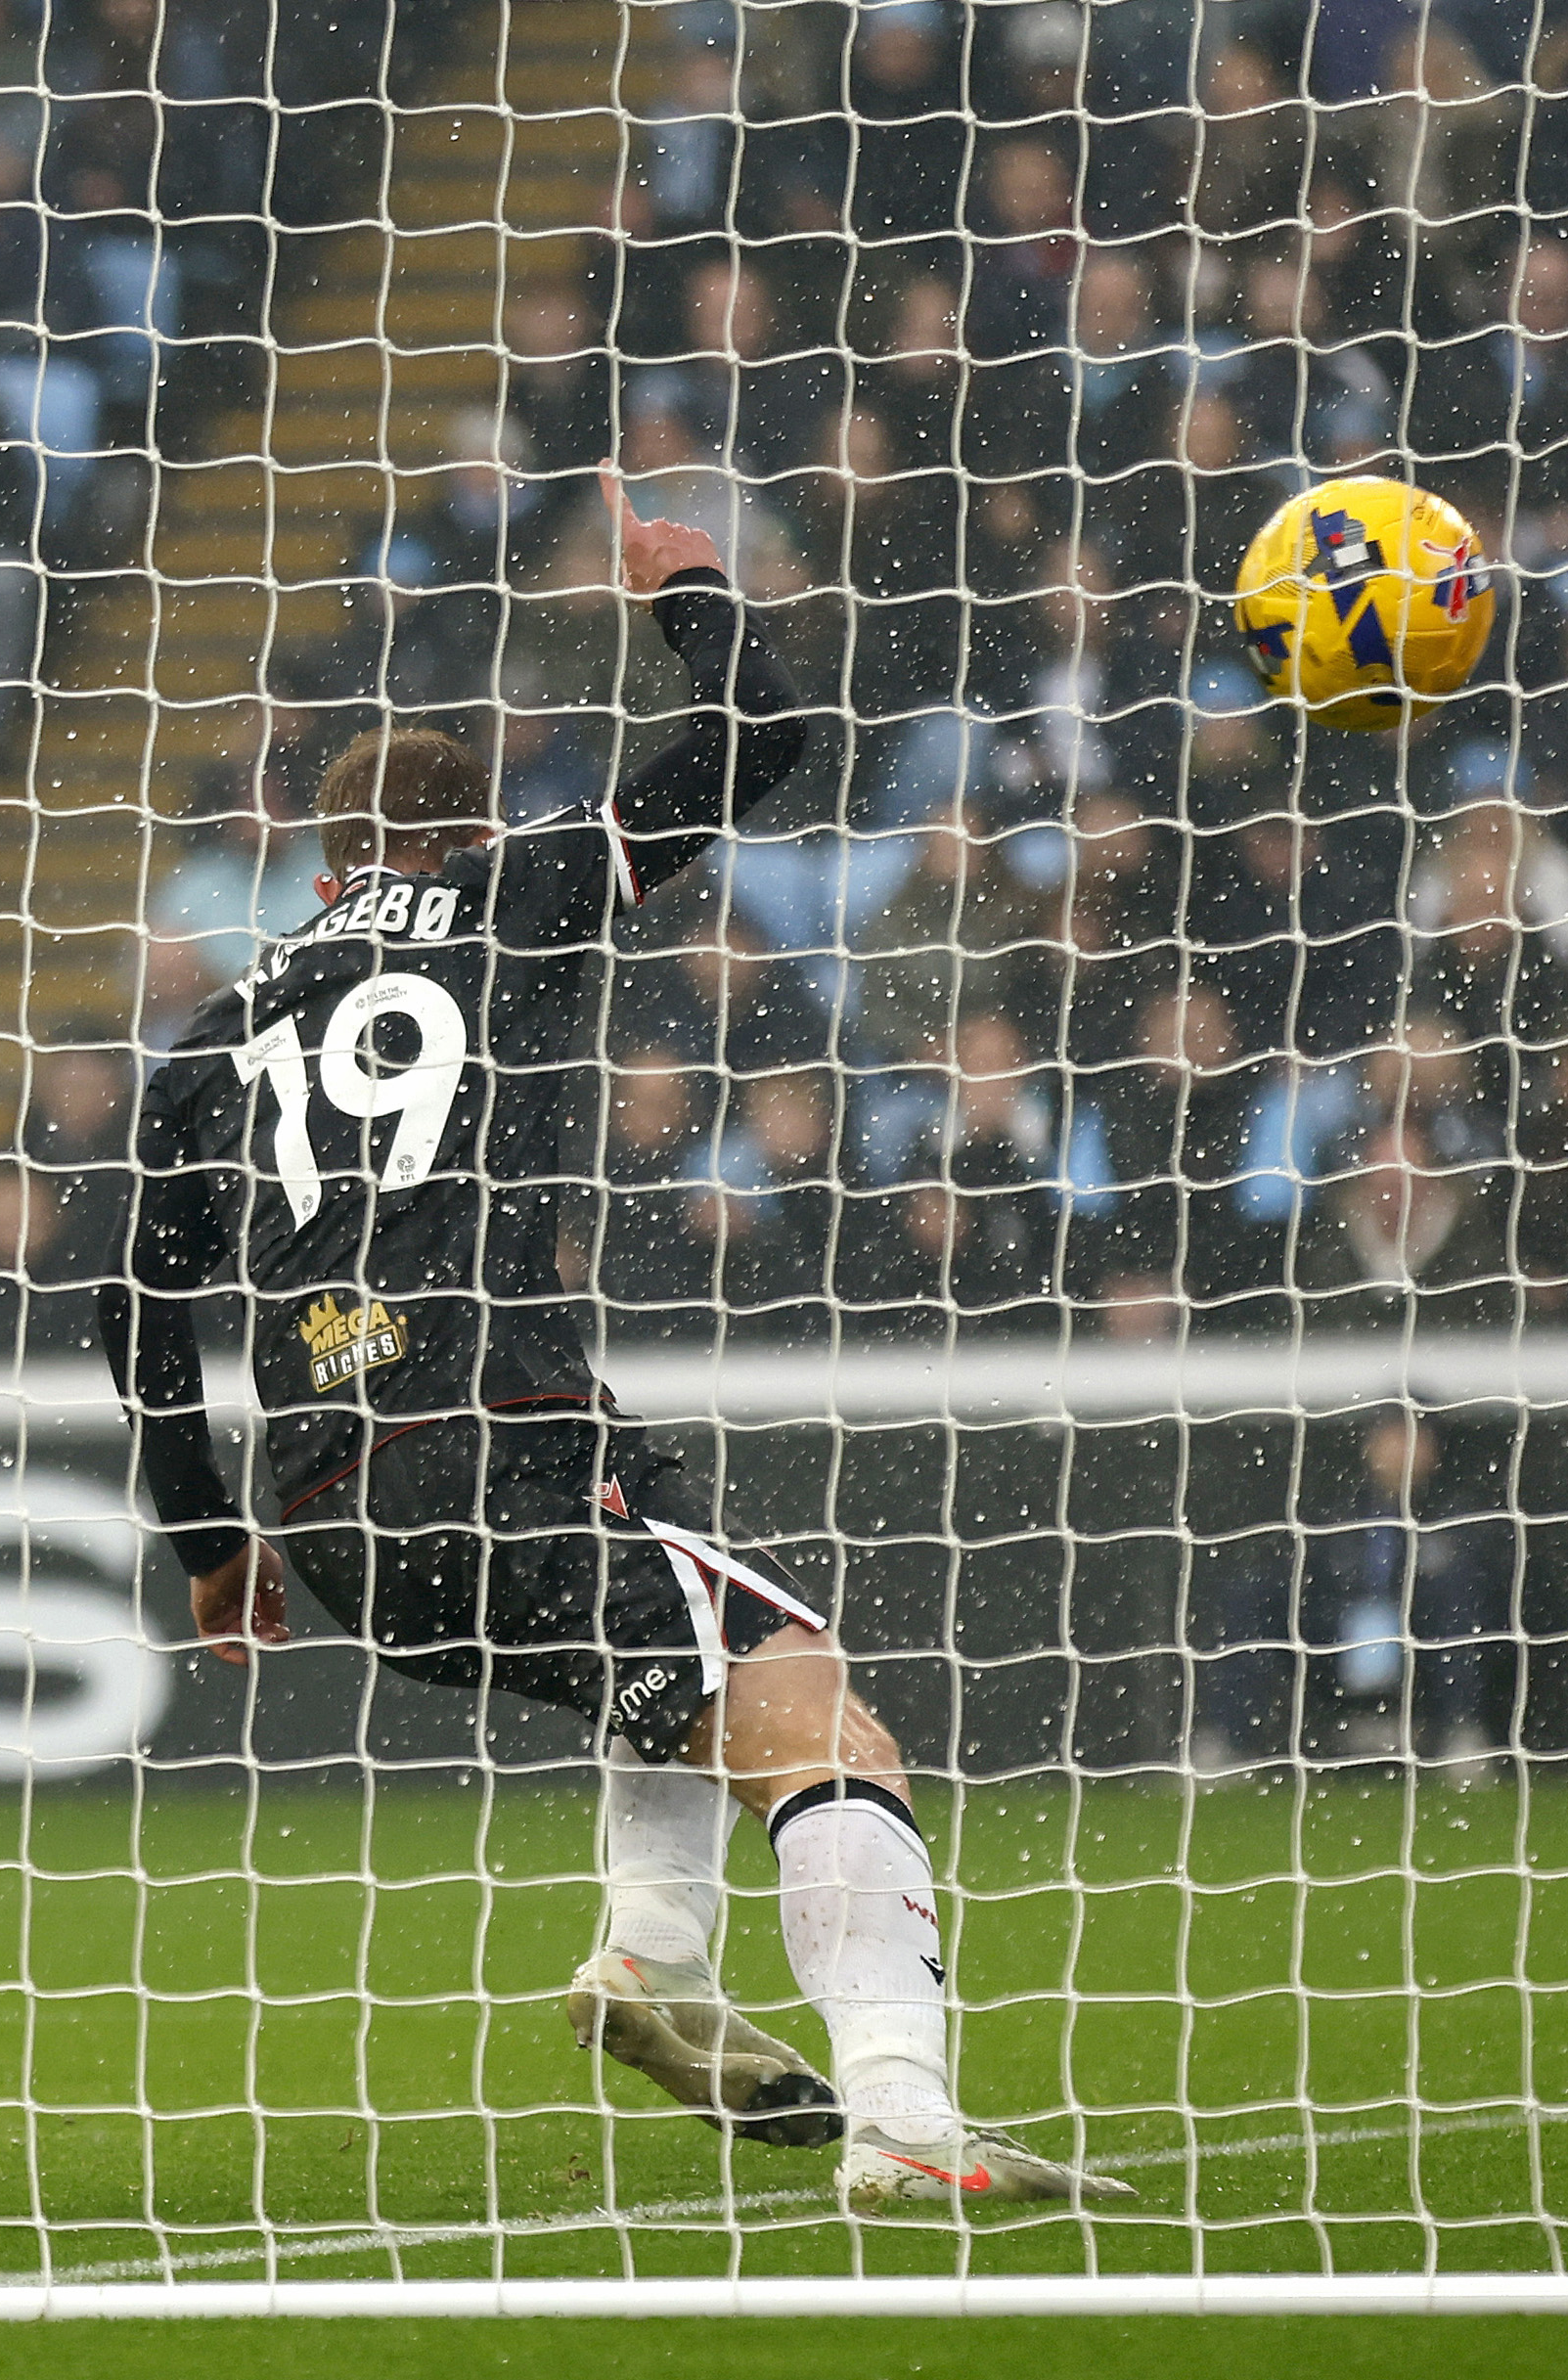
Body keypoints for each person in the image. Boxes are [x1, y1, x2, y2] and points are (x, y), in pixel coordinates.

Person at [101, 471, 1128, 2216]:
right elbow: (763, 740)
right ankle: (901, 2118)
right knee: (815, 1716)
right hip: (492, 1431)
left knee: (657, 1654)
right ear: (469, 833)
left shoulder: (217, 1024)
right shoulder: (521, 895)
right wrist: (691, 589)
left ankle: (653, 1958)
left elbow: (129, 1314)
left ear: (323, 859)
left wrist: (212, 1546)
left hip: (337, 1509)